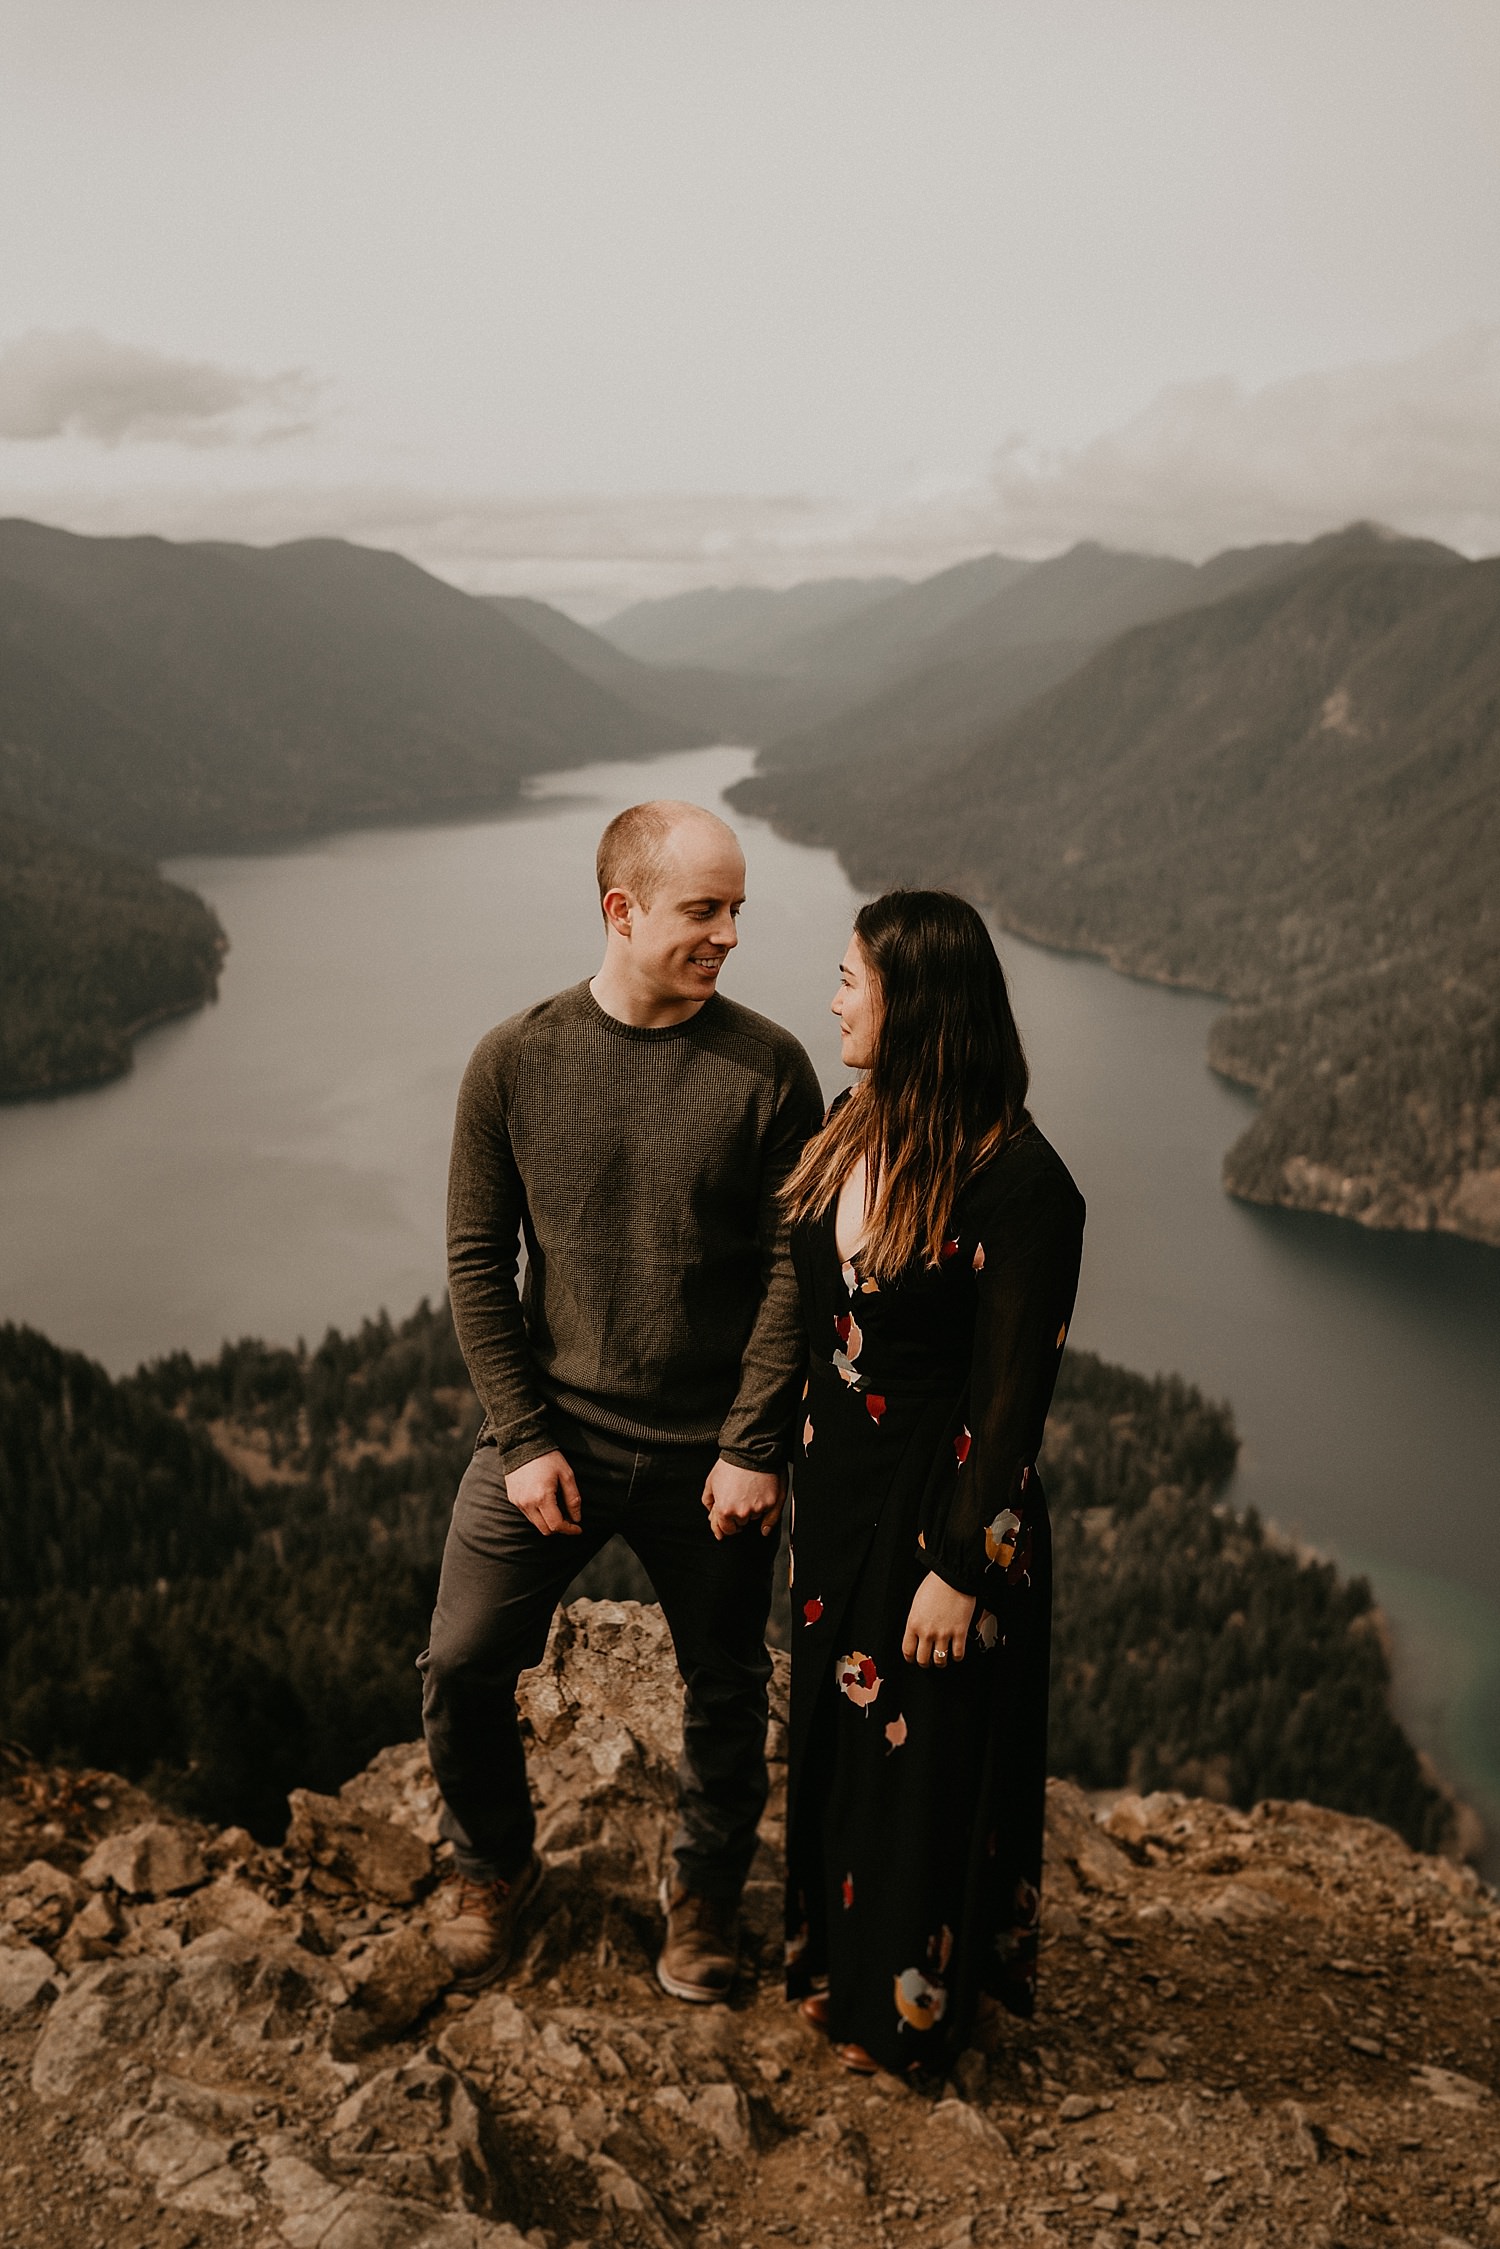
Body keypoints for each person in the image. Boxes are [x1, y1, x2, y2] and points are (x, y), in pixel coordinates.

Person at [420, 799, 824, 2000]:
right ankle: (495, 1865)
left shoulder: (771, 1068)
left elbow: (794, 1275)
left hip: (714, 1455)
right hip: (556, 1437)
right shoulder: (516, 1059)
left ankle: (701, 1893)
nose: (730, 933)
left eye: (737, 909)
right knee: (461, 1661)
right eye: (705, 909)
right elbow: (476, 1263)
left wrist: (753, 1443)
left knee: (726, 1682)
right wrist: (527, 1438)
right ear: (623, 909)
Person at [781, 889, 1085, 2076]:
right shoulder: (855, 1119)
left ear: (915, 1004)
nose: (836, 997)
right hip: (841, 1494)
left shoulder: (1021, 1180)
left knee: (927, 1764)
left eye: (853, 977)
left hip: (942, 1509)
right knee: (839, 1744)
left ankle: (908, 2017)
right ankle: (837, 1968)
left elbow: (1013, 1399)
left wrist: (963, 1566)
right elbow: (818, 1317)